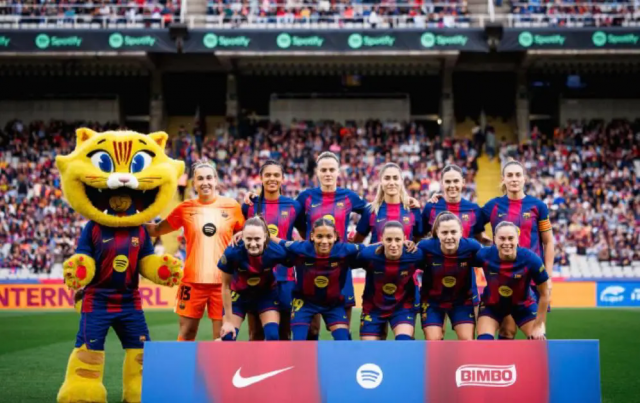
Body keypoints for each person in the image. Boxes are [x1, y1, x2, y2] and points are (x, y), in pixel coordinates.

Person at [145, 162, 245, 341]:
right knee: (186, 333)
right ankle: (183, 361)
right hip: (192, 282)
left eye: (209, 178)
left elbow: (245, 235)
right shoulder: (185, 208)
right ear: (194, 183)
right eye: (200, 178)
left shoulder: (232, 207)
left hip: (222, 283)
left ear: (216, 180)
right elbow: (157, 230)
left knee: (221, 337)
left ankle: (217, 362)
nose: (205, 182)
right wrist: (128, 223)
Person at [479, 160, 554, 339]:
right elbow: (472, 226)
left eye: (518, 175)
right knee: (507, 330)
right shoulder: (493, 206)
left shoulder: (538, 206)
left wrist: (548, 276)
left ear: (524, 179)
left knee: (537, 333)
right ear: (503, 179)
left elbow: (549, 242)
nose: (514, 179)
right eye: (510, 175)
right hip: (504, 276)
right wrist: (484, 239)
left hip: (533, 278)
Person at [240, 160, 301, 341]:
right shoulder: (249, 206)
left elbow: (306, 237)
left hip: (285, 278)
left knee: (284, 334)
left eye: (276, 175)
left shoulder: (293, 206)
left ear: (283, 178)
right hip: (256, 276)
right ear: (261, 178)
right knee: (255, 334)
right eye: (268, 175)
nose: (272, 178)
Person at [275, 217, 361, 341]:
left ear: (335, 236)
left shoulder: (344, 249)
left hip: (332, 304)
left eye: (329, 236)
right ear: (312, 236)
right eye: (319, 236)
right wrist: (264, 235)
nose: (324, 241)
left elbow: (368, 249)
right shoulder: (301, 248)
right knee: (298, 341)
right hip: (304, 302)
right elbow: (280, 242)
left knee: (343, 339)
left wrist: (385, 243)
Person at [474, 221, 550, 340]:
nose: (506, 243)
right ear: (495, 239)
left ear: (517, 239)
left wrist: (539, 325)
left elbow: (545, 293)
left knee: (538, 341)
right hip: (492, 305)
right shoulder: (483, 255)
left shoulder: (531, 260)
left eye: (511, 238)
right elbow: (463, 265)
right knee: (484, 342)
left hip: (523, 306)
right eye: (502, 238)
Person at [218, 217, 290, 341]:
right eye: (249, 239)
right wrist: (228, 321)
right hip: (239, 295)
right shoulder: (232, 252)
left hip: (266, 294)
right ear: (242, 237)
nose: (253, 244)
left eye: (257, 239)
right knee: (228, 337)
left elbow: (297, 259)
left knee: (273, 336)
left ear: (265, 238)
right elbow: (225, 286)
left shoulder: (276, 251)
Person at [417, 212, 481, 340]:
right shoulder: (425, 247)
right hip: (432, 302)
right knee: (434, 341)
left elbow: (492, 258)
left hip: (462, 301)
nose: (449, 237)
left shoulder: (472, 246)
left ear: (461, 232)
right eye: (444, 232)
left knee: (468, 341)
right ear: (437, 233)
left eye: (453, 232)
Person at [357, 221, 424, 341]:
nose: (393, 244)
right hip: (373, 309)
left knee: (404, 342)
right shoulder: (367, 255)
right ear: (382, 239)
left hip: (402, 307)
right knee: (369, 349)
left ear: (404, 239)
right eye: (389, 240)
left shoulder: (415, 255)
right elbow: (345, 262)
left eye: (397, 240)